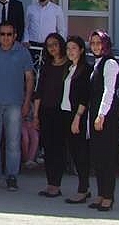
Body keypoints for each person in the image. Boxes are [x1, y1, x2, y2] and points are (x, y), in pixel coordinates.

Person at [0, 21, 34, 192]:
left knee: (13, 143)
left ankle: (12, 176)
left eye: (9, 34)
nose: (5, 37)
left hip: (15, 104)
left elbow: (29, 78)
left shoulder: (23, 52)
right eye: (2, 34)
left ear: (15, 36)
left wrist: (27, 102)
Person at [87, 30, 119, 212]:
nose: (95, 46)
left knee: (107, 157)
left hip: (107, 115)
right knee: (98, 156)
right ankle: (101, 194)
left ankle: (108, 196)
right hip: (96, 112)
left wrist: (101, 115)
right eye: (92, 43)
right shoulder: (97, 63)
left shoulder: (110, 63)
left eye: (99, 43)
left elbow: (109, 91)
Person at [32, 32, 69, 197]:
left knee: (58, 148)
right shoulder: (46, 66)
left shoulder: (69, 65)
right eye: (49, 46)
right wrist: (35, 115)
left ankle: (56, 185)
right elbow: (39, 91)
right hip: (46, 111)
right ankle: (50, 183)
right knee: (48, 148)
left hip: (62, 112)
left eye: (55, 44)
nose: (52, 48)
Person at [62, 36, 92, 204]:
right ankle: (83, 187)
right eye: (68, 48)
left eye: (73, 48)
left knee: (80, 153)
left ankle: (83, 189)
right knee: (73, 152)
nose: (70, 51)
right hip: (66, 113)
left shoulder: (85, 70)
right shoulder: (69, 68)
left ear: (81, 50)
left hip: (77, 115)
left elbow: (84, 96)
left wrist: (77, 117)